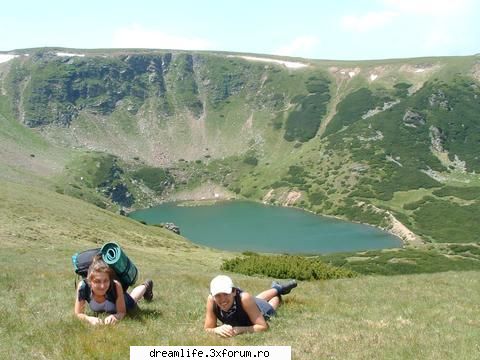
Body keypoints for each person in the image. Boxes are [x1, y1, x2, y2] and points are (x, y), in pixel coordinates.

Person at [204, 275, 297, 337]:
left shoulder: (244, 298)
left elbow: (263, 327)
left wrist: (238, 330)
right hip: (250, 304)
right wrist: (217, 330)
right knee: (257, 298)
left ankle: (278, 291)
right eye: (218, 295)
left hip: (262, 310)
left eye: (225, 294)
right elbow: (208, 328)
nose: (222, 299)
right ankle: (278, 287)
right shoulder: (211, 300)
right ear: (212, 295)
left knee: (270, 305)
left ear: (234, 292)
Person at [74, 255, 154, 325]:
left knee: (133, 299)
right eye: (97, 281)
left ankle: (146, 286)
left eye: (106, 281)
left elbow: (122, 312)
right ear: (89, 281)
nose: (102, 286)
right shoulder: (83, 287)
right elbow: (78, 313)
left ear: (110, 279)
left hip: (121, 298)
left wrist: (116, 316)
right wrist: (89, 319)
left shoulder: (115, 285)